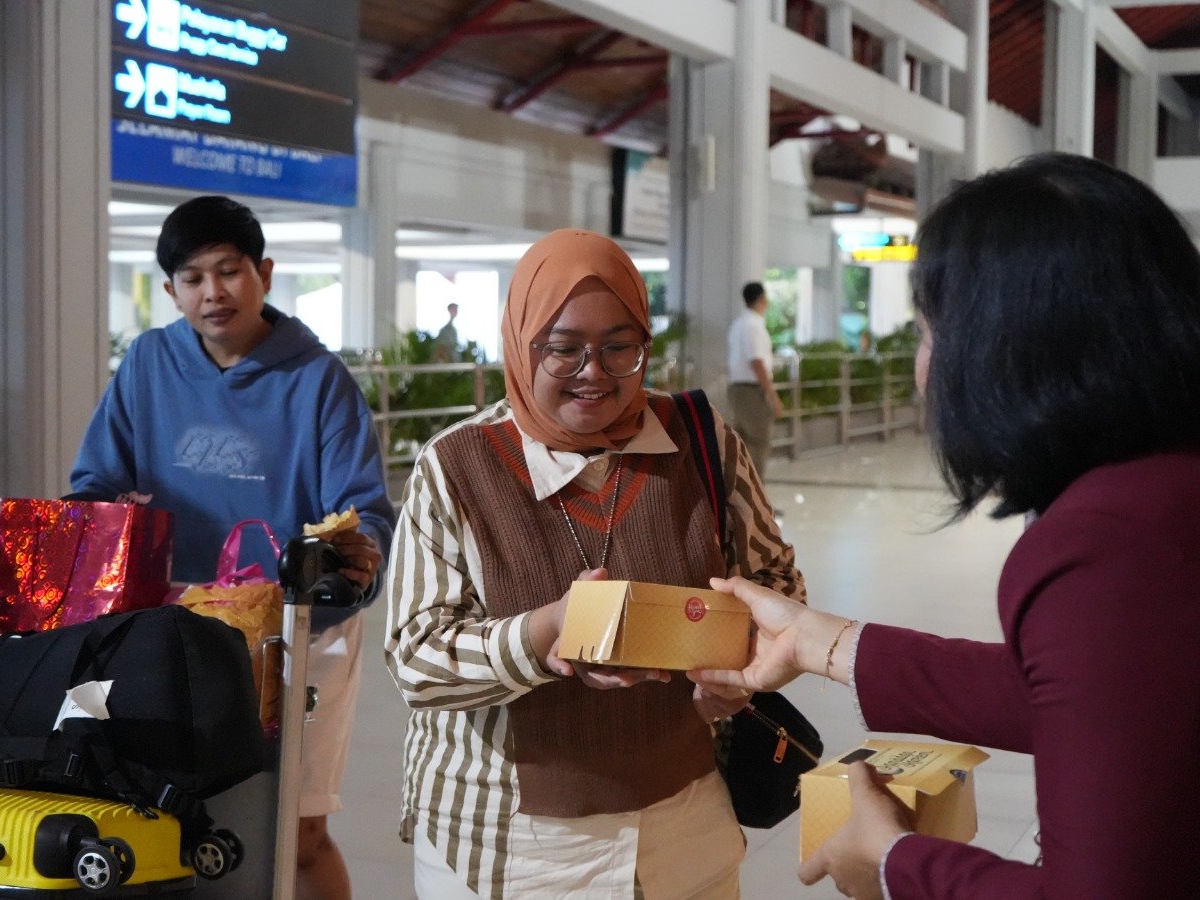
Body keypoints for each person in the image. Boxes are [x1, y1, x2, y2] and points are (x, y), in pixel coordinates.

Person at [690, 153, 1200, 899]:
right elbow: (1095, 697)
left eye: (930, 332)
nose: (924, 369)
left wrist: (894, 857)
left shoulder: (1108, 545)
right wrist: (819, 641)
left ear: (1006, 350)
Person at [385, 229, 804, 898]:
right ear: (522, 344)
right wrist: (545, 634)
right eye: (563, 348)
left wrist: (735, 664)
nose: (594, 372)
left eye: (619, 346)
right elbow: (416, 660)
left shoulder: (700, 440)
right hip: (510, 849)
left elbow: (777, 585)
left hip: (683, 828)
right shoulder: (456, 467)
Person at [71, 195, 395, 900]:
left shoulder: (318, 380)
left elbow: (367, 510)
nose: (212, 292)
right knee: (178, 818)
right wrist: (99, 514)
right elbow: (96, 479)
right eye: (192, 277)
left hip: (298, 626)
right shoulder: (148, 364)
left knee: (298, 833)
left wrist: (354, 558)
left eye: (229, 270)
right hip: (173, 626)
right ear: (170, 290)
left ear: (264, 274)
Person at [726, 282, 784, 478]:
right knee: (759, 443)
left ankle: (741, 500)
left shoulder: (740, 323)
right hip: (750, 390)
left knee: (744, 444)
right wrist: (772, 395)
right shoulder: (753, 325)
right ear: (762, 299)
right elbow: (757, 361)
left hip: (739, 389)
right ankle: (755, 502)